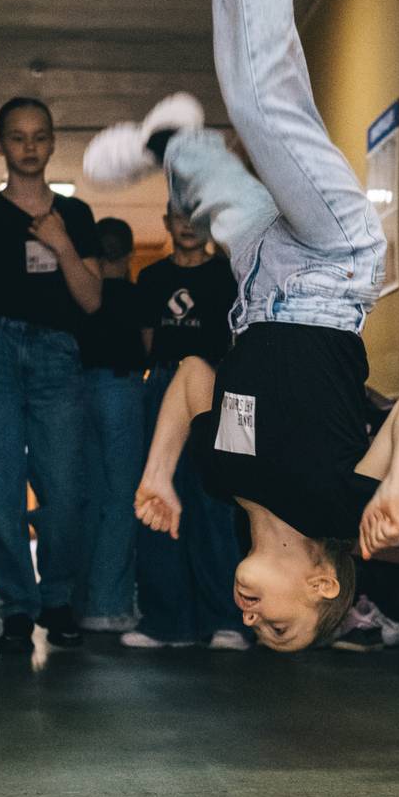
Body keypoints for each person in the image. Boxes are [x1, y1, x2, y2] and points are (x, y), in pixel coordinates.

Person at [84, 0, 399, 652]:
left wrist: (160, 475)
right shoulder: (341, 507)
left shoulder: (223, 479)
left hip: (256, 281)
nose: (252, 616)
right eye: (276, 624)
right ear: (323, 585)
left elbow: (190, 378)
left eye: (252, 626)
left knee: (219, 174)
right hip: (330, 264)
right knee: (261, 101)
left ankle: (178, 146)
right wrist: (395, 486)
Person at [0, 98, 102, 655]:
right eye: (18, 136)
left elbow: (91, 300)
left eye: (39, 136)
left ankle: (57, 599)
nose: (29, 146)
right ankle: (16, 608)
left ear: (53, 141)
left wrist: (61, 244)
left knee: (64, 489)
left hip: (57, 354)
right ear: (1, 145)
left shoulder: (76, 216)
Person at [120, 200, 246, 650]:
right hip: (163, 387)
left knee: (217, 504)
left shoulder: (229, 274)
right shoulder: (152, 278)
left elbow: (240, 337)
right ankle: (166, 622)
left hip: (218, 385)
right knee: (158, 497)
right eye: (179, 216)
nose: (188, 225)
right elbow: (147, 341)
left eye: (197, 217)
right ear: (166, 222)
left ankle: (228, 620)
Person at [74, 216, 146, 633]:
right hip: (122, 388)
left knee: (89, 497)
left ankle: (81, 600)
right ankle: (108, 604)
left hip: (79, 389)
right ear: (130, 253)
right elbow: (149, 347)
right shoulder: (136, 296)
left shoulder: (81, 295)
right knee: (122, 499)